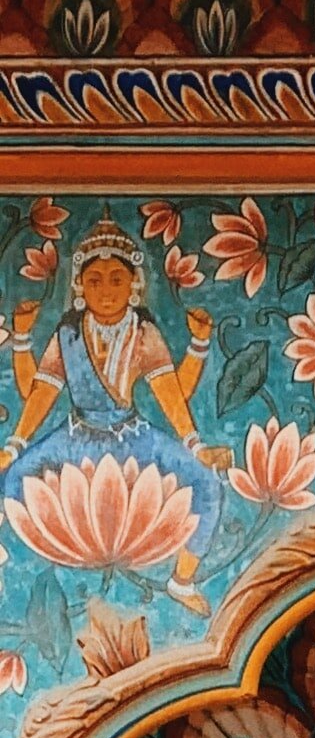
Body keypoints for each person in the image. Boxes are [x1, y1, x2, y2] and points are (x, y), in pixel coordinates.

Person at [0, 215, 229, 615]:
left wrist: (196, 445)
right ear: (80, 288)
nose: (106, 291)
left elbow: (170, 393)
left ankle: (182, 580)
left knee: (207, 484)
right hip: (75, 434)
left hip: (133, 435)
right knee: (13, 476)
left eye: (116, 279)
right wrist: (13, 445)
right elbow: (39, 394)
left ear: (134, 285)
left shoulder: (143, 333)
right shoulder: (69, 334)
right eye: (95, 281)